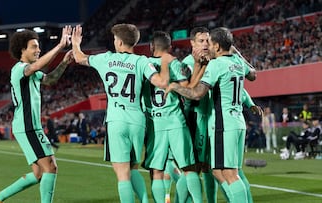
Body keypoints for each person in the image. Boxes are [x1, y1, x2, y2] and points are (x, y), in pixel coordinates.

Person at [71, 24, 170, 203]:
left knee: (122, 174)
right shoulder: (141, 61)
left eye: (115, 39)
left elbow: (79, 58)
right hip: (138, 120)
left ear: (121, 41)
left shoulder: (106, 59)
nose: (114, 42)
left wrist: (75, 43)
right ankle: (145, 201)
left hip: (117, 119)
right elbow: (161, 82)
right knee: (133, 167)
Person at [165, 27, 257, 203]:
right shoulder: (186, 64)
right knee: (196, 168)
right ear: (192, 43)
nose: (206, 45)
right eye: (201, 41)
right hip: (197, 119)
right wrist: (199, 66)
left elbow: (198, 92)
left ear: (216, 44)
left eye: (208, 41)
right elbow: (191, 93)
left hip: (218, 122)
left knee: (218, 170)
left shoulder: (216, 61)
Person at [0, 25, 74, 203]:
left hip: (30, 126)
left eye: (38, 46)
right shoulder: (20, 69)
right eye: (34, 46)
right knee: (50, 167)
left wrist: (64, 62)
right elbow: (37, 66)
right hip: (27, 127)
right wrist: (59, 46)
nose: (38, 49)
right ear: (22, 50)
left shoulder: (31, 71)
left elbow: (50, 79)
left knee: (39, 173)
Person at [141, 31, 202, 203]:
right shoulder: (174, 63)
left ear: (151, 47)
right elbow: (188, 89)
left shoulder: (143, 64)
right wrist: (198, 66)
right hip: (176, 120)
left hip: (155, 123)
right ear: (170, 47)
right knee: (189, 168)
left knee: (157, 171)